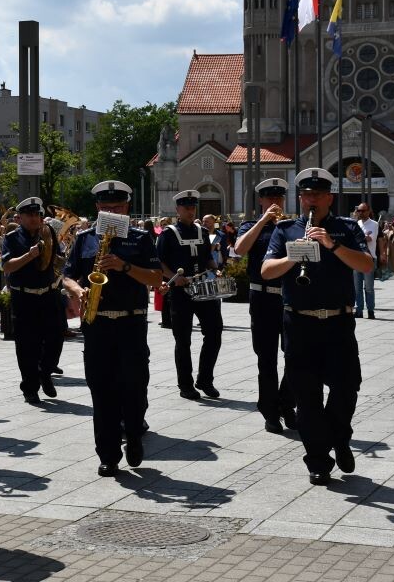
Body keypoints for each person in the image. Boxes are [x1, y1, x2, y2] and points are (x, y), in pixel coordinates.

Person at [261, 168, 373, 485]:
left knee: (347, 387)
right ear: (301, 198)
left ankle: (339, 437)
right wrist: (293, 257)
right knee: (306, 396)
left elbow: (367, 265)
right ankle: (319, 461)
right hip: (299, 322)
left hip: (338, 321)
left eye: (318, 195)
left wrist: (332, 245)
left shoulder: (346, 228)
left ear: (329, 198)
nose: (312, 200)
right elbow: (267, 271)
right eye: (307, 195)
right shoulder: (286, 229)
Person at [61, 180, 160, 478]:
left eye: (117, 207)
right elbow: (67, 275)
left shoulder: (140, 238)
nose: (112, 212)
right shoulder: (85, 238)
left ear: (127, 207)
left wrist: (124, 266)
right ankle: (108, 454)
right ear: (97, 208)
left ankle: (134, 434)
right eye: (106, 208)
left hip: (131, 321)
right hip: (98, 322)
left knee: (134, 385)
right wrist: (77, 291)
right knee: (101, 389)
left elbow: (156, 278)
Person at [234, 178, 296, 434]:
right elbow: (239, 249)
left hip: (288, 297)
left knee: (295, 356)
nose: (275, 202)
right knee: (266, 358)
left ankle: (286, 403)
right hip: (262, 297)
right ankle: (270, 411)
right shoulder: (250, 225)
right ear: (261, 200)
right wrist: (263, 221)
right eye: (270, 198)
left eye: (279, 198)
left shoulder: (291, 226)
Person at [158, 190, 223, 401]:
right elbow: (158, 262)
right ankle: (185, 384)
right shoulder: (168, 233)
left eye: (193, 207)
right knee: (183, 339)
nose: (190, 211)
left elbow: (207, 258)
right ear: (177, 209)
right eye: (186, 207)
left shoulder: (202, 231)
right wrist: (173, 277)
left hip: (203, 288)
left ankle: (205, 379)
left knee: (214, 333)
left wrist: (216, 269)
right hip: (180, 292)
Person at [2, 196, 63, 405]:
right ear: (19, 218)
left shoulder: (48, 232)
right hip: (24, 297)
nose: (34, 218)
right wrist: (29, 256)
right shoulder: (11, 238)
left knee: (56, 338)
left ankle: (45, 372)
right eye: (29, 215)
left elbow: (58, 258)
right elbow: (6, 266)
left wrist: (60, 260)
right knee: (27, 345)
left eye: (37, 214)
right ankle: (30, 387)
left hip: (49, 294)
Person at [352, 203, 378, 319]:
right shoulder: (356, 224)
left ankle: (371, 310)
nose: (360, 213)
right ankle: (359, 310)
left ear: (368, 211)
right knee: (357, 287)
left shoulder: (374, 224)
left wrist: (359, 237)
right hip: (356, 258)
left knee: (368, 287)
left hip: (368, 258)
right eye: (359, 211)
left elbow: (369, 238)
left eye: (363, 211)